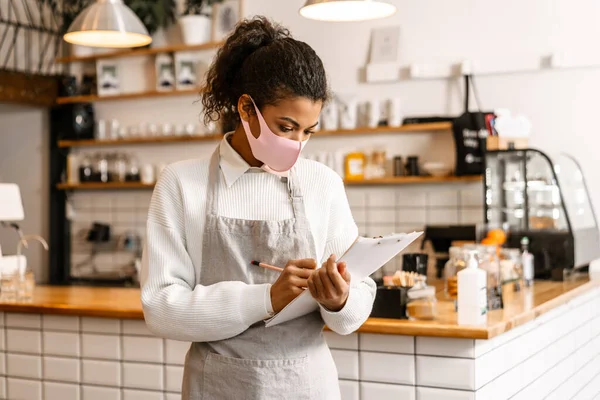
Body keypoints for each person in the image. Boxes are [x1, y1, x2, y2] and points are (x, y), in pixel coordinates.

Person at [141, 16, 376, 400]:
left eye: (308, 131)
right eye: (286, 127)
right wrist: (266, 299)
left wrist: (340, 300)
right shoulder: (182, 183)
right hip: (216, 388)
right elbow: (161, 308)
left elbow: (357, 305)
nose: (298, 143)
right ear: (247, 109)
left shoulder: (323, 183)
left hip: (308, 386)